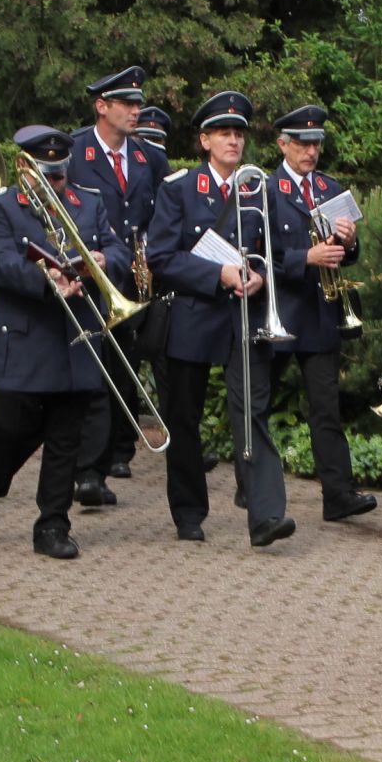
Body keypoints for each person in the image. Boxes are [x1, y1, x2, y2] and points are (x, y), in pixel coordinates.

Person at [0, 124, 134, 556]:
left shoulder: (88, 203)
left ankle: (52, 527)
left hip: (76, 334)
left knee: (65, 436)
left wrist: (103, 260)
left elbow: (118, 249)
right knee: (9, 427)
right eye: (46, 175)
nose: (55, 184)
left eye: (59, 175)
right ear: (25, 168)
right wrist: (46, 278)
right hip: (25, 334)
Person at [146, 92, 296, 547]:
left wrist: (261, 276)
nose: (234, 141)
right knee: (184, 417)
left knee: (253, 411)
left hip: (244, 315)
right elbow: (161, 258)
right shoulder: (178, 188)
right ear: (205, 140)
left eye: (239, 134)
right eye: (224, 133)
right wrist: (219, 274)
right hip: (194, 315)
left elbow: (277, 253)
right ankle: (189, 512)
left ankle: (266, 516)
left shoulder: (259, 188)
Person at [263, 105, 378, 524]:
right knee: (259, 403)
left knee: (326, 408)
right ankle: (251, 485)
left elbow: (349, 255)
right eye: (302, 144)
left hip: (319, 314)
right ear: (283, 145)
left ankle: (338, 494)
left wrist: (349, 241)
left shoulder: (331, 189)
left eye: (316, 144)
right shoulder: (265, 190)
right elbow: (258, 255)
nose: (310, 151)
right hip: (279, 312)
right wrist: (305, 258)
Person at [66, 66, 163, 505]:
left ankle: (100, 468)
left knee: (120, 377)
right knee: (89, 375)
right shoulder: (74, 151)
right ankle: (84, 470)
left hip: (128, 285)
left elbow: (160, 216)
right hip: (86, 283)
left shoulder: (148, 158)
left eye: (137, 103)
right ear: (101, 106)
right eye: (125, 103)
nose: (134, 110)